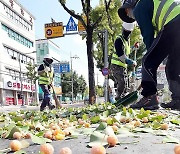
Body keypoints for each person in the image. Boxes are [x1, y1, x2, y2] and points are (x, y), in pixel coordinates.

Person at [118, 0, 180, 110]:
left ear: (130, 5)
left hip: (173, 22)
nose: (128, 14)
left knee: (147, 61)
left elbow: (148, 35)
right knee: (173, 66)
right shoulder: (150, 4)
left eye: (126, 11)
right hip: (176, 21)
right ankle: (178, 99)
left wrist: (152, 58)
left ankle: (149, 97)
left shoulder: (139, 7)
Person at [110, 22, 137, 100]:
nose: (127, 33)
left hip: (123, 67)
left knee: (126, 85)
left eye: (128, 31)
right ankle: (118, 98)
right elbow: (121, 56)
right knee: (122, 82)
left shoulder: (126, 41)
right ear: (122, 29)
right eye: (126, 31)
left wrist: (133, 47)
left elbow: (126, 51)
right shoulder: (119, 40)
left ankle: (123, 98)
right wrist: (131, 62)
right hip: (116, 66)